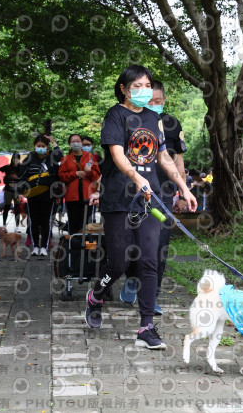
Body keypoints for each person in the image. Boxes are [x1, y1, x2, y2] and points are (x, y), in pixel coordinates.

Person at [84, 65, 197, 350]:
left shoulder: (153, 119)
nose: (144, 90)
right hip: (119, 199)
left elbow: (164, 158)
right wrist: (136, 178)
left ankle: (146, 327)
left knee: (149, 260)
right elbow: (117, 154)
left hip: (149, 199)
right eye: (137, 86)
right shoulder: (115, 115)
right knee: (119, 261)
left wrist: (184, 188)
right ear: (124, 89)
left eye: (147, 85)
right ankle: (96, 295)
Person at [119, 80, 188, 315]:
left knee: (159, 246)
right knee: (133, 242)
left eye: (158, 101)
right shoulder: (129, 120)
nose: (154, 104)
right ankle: (131, 277)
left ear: (164, 100)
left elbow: (178, 161)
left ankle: (152, 295)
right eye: (150, 101)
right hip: (134, 192)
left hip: (163, 194)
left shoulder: (172, 124)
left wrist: (182, 193)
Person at [18, 133, 63, 256]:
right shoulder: (29, 158)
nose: (41, 148)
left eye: (43, 146)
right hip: (32, 195)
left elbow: (60, 158)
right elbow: (22, 175)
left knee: (46, 221)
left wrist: (54, 142)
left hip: (48, 196)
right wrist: (20, 192)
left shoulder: (51, 158)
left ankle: (44, 246)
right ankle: (35, 246)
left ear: (47, 147)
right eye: (38, 145)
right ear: (34, 146)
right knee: (33, 221)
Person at [59, 134, 101, 235]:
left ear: (81, 143)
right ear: (69, 144)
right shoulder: (65, 159)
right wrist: (75, 173)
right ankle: (74, 243)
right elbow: (61, 176)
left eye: (78, 141)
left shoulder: (90, 157)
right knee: (73, 223)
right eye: (73, 141)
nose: (76, 143)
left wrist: (89, 171)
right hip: (72, 197)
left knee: (87, 224)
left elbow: (96, 176)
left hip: (88, 196)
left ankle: (86, 243)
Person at [0, 153, 21, 228]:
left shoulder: (21, 168)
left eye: (17, 158)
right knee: (6, 207)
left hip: (17, 191)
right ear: (12, 159)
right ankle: (4, 225)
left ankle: (17, 226)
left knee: (17, 208)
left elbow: (25, 177)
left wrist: (17, 178)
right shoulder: (7, 167)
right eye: (14, 158)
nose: (15, 160)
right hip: (8, 190)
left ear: (19, 159)